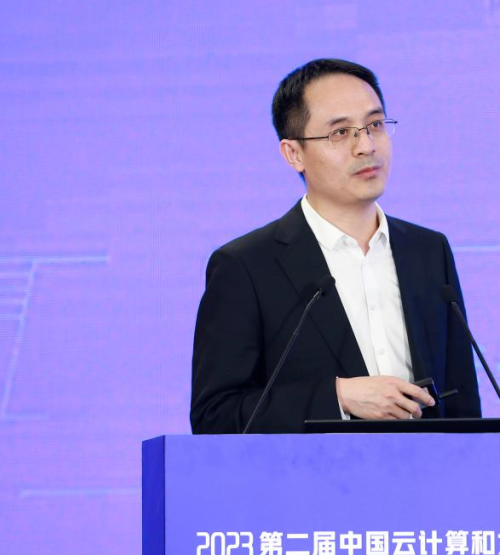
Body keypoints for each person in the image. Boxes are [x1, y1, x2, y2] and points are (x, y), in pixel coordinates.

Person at [190, 58, 480, 433]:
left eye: (375, 125)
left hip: (425, 470)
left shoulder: (428, 251)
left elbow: (463, 406)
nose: (366, 146)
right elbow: (215, 416)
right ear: (294, 154)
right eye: (340, 133)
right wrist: (337, 398)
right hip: (311, 472)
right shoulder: (246, 266)